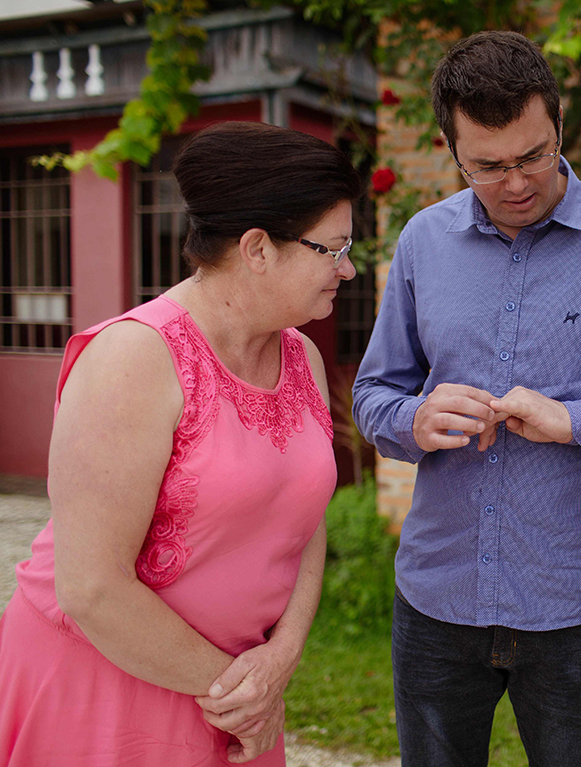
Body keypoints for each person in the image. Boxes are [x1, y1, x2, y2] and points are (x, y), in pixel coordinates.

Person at [352, 30, 581, 767]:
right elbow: (374, 393)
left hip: (577, 606)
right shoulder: (423, 242)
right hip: (435, 598)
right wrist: (412, 419)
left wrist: (576, 422)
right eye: (487, 167)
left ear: (557, 120)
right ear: (451, 149)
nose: (516, 182)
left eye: (533, 154)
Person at [0, 121, 361, 766]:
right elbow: (91, 588)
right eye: (330, 249)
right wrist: (239, 689)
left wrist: (279, 660)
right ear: (258, 248)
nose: (348, 267)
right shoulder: (133, 358)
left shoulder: (300, 356)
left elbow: (304, 519)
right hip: (106, 686)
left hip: (235, 699)